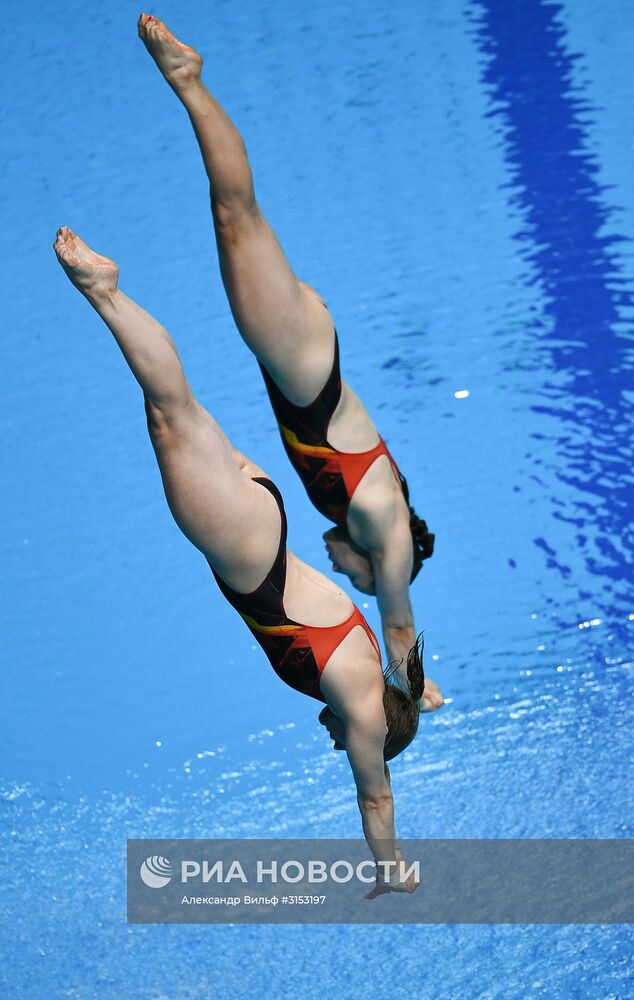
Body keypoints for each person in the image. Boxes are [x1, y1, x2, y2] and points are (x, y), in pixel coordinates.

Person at [53, 226, 419, 897]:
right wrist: (389, 869)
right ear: (377, 733)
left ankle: (107, 295)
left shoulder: (370, 676)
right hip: (247, 548)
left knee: (175, 413)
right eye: (350, 747)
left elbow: (400, 657)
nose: (336, 743)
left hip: (259, 524)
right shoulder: (366, 710)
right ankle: (104, 291)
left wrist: (418, 690)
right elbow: (376, 798)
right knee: (170, 411)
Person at [137, 14, 444, 712]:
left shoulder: (371, 518)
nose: (342, 575)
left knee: (235, 218)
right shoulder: (390, 540)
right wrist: (407, 692)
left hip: (298, 362)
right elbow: (397, 618)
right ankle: (189, 80)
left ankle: (190, 85)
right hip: (303, 367)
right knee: (236, 213)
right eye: (356, 580)